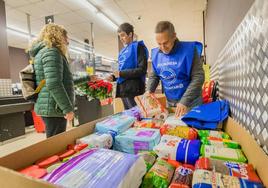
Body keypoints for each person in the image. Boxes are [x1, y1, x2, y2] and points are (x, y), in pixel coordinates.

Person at [29, 23, 97, 138]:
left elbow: (66, 81)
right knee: (55, 143)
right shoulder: (52, 52)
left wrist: (88, 78)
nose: (68, 41)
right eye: (66, 37)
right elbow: (54, 84)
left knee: (54, 140)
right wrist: (67, 109)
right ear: (58, 36)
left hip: (51, 106)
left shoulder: (44, 52)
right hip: (54, 107)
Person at [147, 21, 204, 117]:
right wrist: (149, 91)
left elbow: (198, 77)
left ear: (174, 36)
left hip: (191, 102)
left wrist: (184, 101)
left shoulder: (189, 50)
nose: (162, 47)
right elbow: (154, 76)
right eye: (159, 44)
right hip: (171, 101)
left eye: (165, 43)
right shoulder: (156, 54)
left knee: (191, 129)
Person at [107, 23, 148, 110]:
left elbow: (142, 70)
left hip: (134, 89)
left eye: (123, 35)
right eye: (119, 36)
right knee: (129, 116)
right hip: (123, 90)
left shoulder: (138, 47)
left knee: (137, 116)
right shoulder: (122, 52)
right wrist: (113, 77)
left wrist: (121, 73)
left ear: (130, 34)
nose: (121, 38)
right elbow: (120, 70)